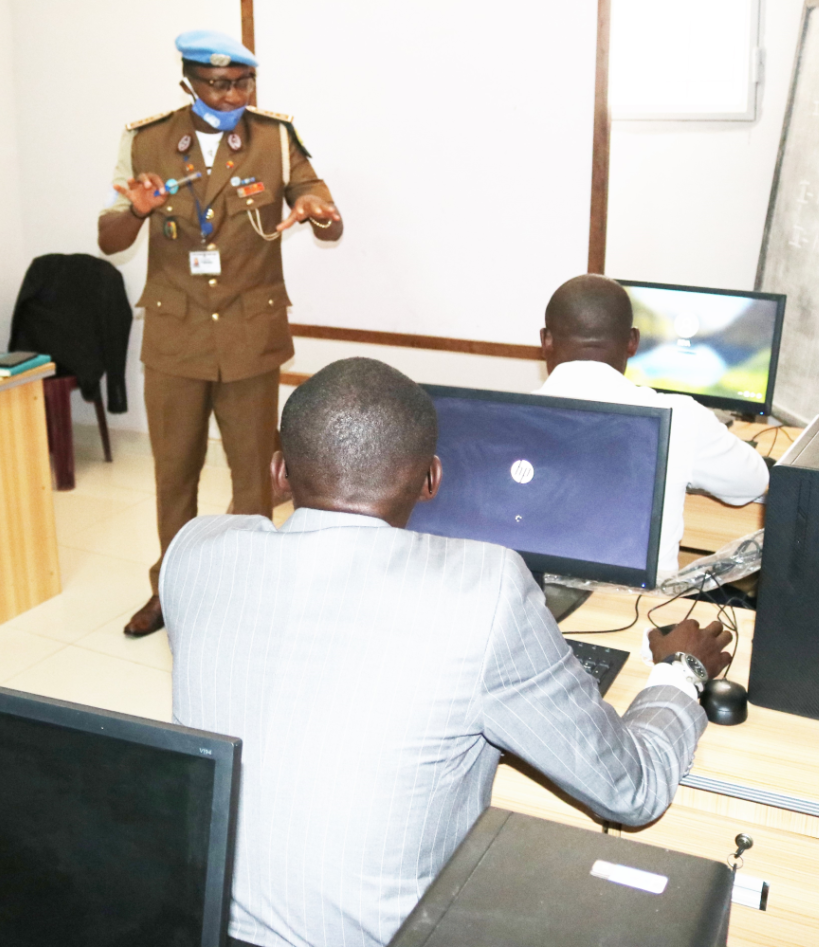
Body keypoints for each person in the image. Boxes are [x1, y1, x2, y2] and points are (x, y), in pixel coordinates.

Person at [162, 357, 733, 947]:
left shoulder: (194, 551)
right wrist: (681, 671)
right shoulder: (485, 589)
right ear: (431, 479)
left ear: (280, 472)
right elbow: (631, 790)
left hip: (204, 926)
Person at [98, 29, 343, 637]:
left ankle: (252, 588)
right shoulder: (147, 140)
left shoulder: (275, 138)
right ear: (189, 83)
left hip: (249, 333)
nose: (233, 95)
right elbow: (109, 239)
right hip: (175, 335)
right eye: (218, 85)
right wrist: (138, 211)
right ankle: (171, 588)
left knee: (253, 474)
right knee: (173, 473)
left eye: (243, 83)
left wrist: (319, 212)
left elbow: (322, 208)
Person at [536, 274, 770, 582]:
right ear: (633, 341)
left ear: (545, 340)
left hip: (533, 598)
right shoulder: (680, 416)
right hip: (638, 604)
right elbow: (753, 483)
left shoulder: (503, 419)